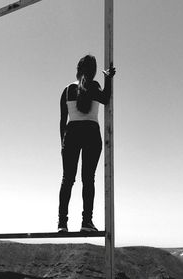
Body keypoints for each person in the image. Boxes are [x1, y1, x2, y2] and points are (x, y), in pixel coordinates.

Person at [58, 54, 115, 232]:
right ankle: (86, 222)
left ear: (77, 69)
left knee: (67, 180)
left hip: (71, 133)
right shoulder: (94, 86)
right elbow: (106, 98)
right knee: (88, 179)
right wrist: (108, 78)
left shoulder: (67, 90)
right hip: (91, 132)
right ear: (94, 71)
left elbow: (62, 120)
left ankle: (62, 223)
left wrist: (62, 143)